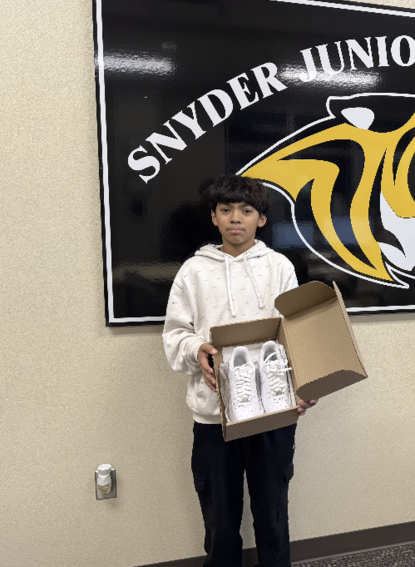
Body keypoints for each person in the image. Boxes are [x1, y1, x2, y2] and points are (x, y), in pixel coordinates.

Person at [163, 174, 315, 567]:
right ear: (213, 217)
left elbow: (296, 332)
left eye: (246, 211)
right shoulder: (192, 272)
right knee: (220, 519)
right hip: (213, 417)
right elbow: (175, 334)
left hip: (272, 413)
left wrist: (305, 383)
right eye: (226, 210)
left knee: (272, 514)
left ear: (261, 219)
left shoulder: (279, 267)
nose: (236, 218)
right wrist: (196, 350)